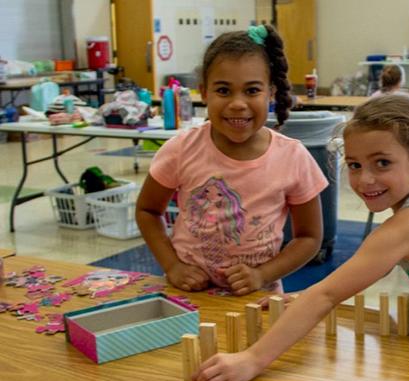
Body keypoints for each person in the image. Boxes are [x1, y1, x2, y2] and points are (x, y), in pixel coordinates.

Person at [192, 95, 409, 381]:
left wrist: (252, 359)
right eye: (355, 165)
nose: (365, 179)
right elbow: (351, 280)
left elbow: (328, 293)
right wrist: (303, 299)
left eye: (382, 163)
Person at [135, 26, 328, 296]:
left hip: (257, 299)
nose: (238, 103)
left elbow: (309, 238)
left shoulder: (293, 157)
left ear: (270, 92)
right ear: (204, 92)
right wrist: (173, 266)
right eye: (224, 90)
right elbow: (147, 211)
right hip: (189, 295)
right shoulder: (181, 149)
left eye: (252, 90)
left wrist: (262, 275)